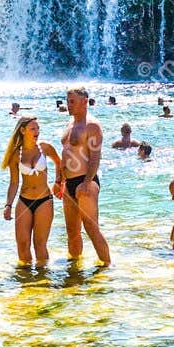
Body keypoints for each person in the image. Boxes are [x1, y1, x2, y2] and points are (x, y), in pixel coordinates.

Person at [58, 87, 111, 264]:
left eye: (72, 101)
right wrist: (59, 179)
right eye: (67, 101)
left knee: (91, 227)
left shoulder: (92, 125)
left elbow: (95, 156)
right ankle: (75, 268)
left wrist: (87, 181)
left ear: (84, 102)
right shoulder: (69, 125)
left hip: (85, 180)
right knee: (72, 231)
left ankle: (107, 266)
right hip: (68, 183)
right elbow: (65, 154)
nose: (69, 105)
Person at [1, 116, 61, 265]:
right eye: (32, 129)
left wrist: (58, 182)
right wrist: (8, 205)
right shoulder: (16, 154)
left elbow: (60, 163)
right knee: (22, 245)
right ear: (23, 130)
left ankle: (42, 280)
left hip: (44, 200)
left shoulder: (45, 147)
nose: (37, 131)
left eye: (38, 128)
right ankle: (26, 281)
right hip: (24, 200)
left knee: (40, 244)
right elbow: (14, 182)